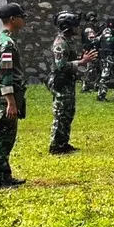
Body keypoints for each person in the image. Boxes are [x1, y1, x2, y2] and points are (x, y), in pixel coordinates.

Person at [0, 3, 28, 190]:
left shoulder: (1, 39)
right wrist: (10, 101)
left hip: (5, 95)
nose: (23, 20)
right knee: (2, 137)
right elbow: (6, 73)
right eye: (21, 16)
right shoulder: (6, 44)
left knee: (7, 137)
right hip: (6, 98)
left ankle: (4, 174)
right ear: (12, 19)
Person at [48, 12, 98, 155]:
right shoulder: (60, 43)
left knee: (68, 112)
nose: (78, 28)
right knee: (61, 113)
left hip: (68, 81)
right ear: (67, 27)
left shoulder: (68, 41)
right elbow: (60, 65)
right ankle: (55, 146)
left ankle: (63, 142)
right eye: (75, 25)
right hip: (61, 81)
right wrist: (81, 62)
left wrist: (80, 59)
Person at [96, 15, 114, 102]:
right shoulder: (107, 30)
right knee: (105, 76)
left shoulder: (113, 30)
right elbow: (109, 40)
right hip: (108, 56)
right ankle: (101, 95)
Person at [82, 12, 100, 93]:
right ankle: (85, 86)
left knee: (97, 69)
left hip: (93, 50)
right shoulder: (89, 28)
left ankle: (96, 85)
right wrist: (100, 36)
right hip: (91, 50)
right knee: (91, 69)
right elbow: (92, 39)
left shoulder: (92, 27)